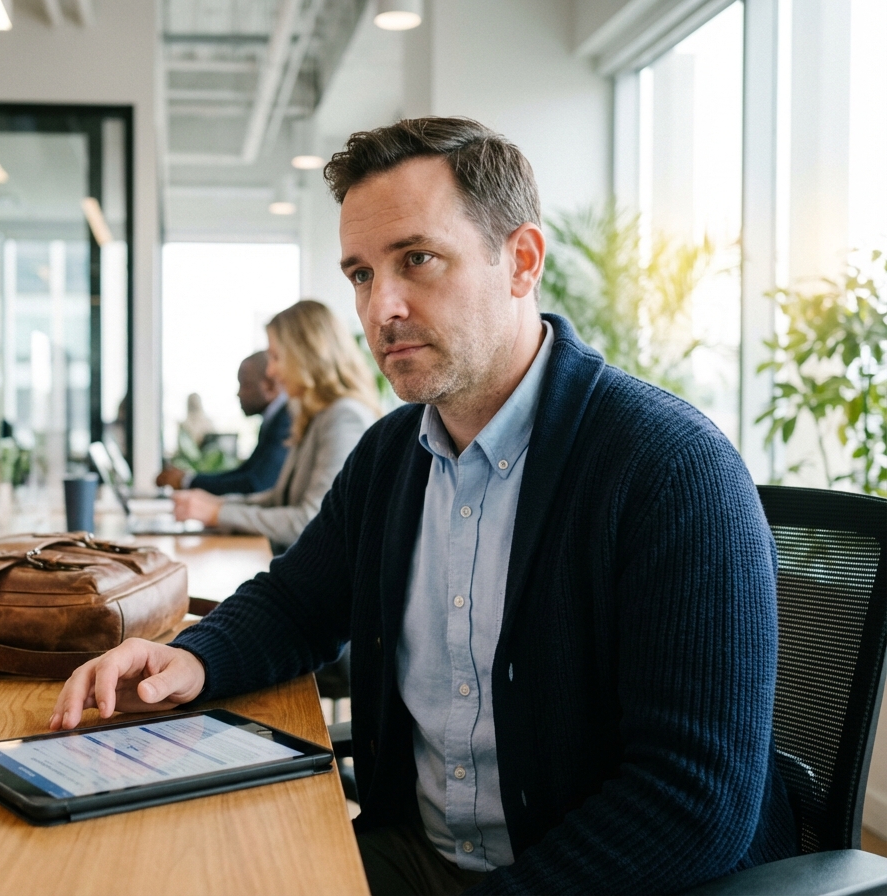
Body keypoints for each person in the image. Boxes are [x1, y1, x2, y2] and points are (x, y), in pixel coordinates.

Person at [49, 118, 796, 893]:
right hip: (419, 855)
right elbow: (299, 602)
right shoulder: (390, 455)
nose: (381, 310)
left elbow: (692, 803)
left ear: (521, 261)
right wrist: (194, 658)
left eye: (417, 260)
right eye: (362, 275)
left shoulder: (670, 469)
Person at [171, 300, 380, 555]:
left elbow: (310, 521)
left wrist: (218, 512)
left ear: (308, 355)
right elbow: (277, 499)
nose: (271, 371)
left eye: (277, 357)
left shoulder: (344, 417)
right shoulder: (315, 414)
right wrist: (217, 504)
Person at [156, 351, 291, 495]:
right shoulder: (273, 420)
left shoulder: (285, 421)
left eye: (245, 384)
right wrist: (189, 480)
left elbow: (255, 484)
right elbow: (245, 473)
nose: (238, 394)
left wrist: (188, 481)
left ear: (269, 386)